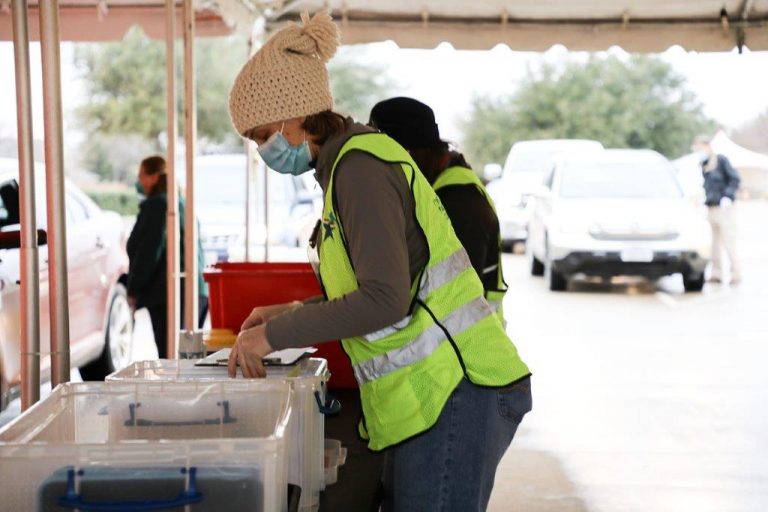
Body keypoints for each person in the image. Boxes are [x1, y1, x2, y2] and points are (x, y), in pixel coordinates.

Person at [226, 12, 531, 512]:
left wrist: (273, 337)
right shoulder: (342, 169)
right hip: (434, 396)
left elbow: (384, 300)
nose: (264, 150)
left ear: (295, 116)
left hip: (457, 388)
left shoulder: (359, 169)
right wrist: (286, 313)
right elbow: (378, 287)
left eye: (263, 135)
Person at [368, 97, 507, 321]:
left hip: (468, 339)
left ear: (408, 154)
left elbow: (456, 296)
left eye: (386, 161)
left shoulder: (459, 203)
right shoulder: (439, 189)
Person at [126, 155, 209, 358]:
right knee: (187, 359)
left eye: (142, 175)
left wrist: (133, 289)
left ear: (154, 176)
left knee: (171, 360)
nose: (139, 181)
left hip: (172, 294)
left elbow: (148, 252)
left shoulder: (158, 205)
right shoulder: (181, 203)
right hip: (196, 290)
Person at [692, 135, 741, 284]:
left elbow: (735, 179)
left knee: (729, 241)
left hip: (724, 207)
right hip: (711, 207)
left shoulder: (721, 160)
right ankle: (716, 273)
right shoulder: (704, 164)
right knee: (714, 244)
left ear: (706, 146)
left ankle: (735, 273)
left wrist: (728, 195)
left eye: (700, 147)